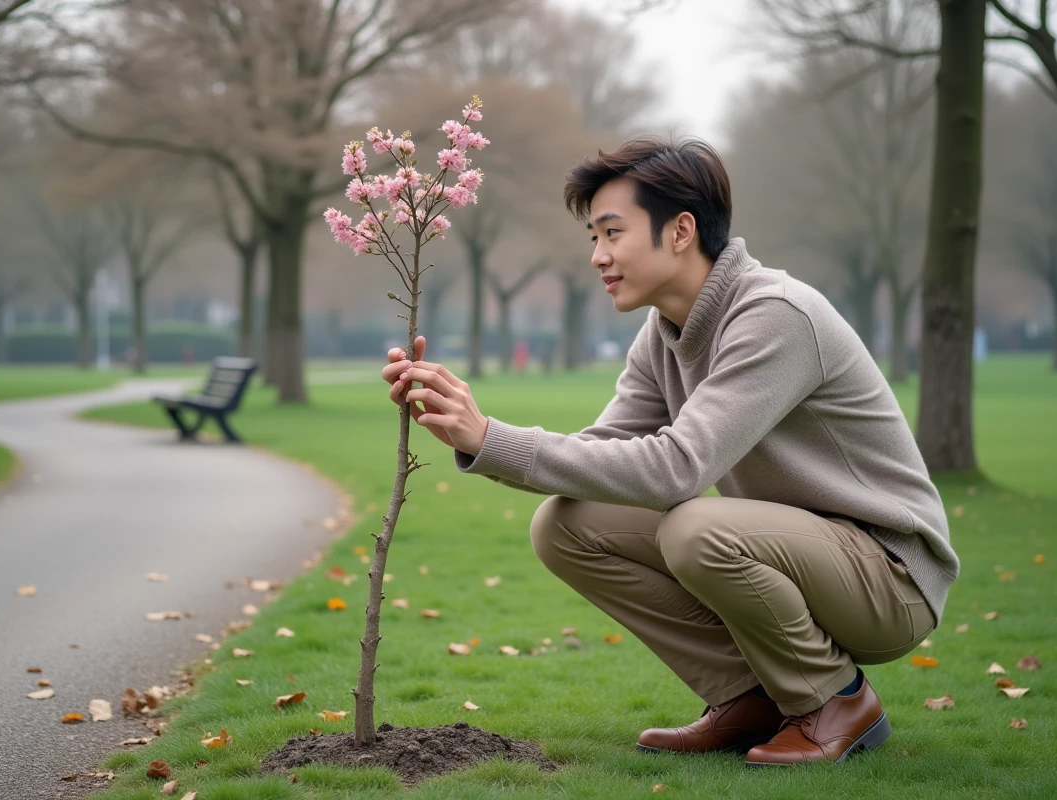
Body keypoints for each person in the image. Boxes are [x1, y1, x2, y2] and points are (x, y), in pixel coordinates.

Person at [379, 137, 958, 767]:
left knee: (694, 527)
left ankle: (837, 698)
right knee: (567, 524)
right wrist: (471, 430)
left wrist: (492, 436)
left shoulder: (776, 315)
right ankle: (749, 696)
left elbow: (677, 470)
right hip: (805, 555)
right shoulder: (663, 333)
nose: (598, 257)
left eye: (611, 233)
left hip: (890, 575)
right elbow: (604, 451)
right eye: (593, 238)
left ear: (680, 230)